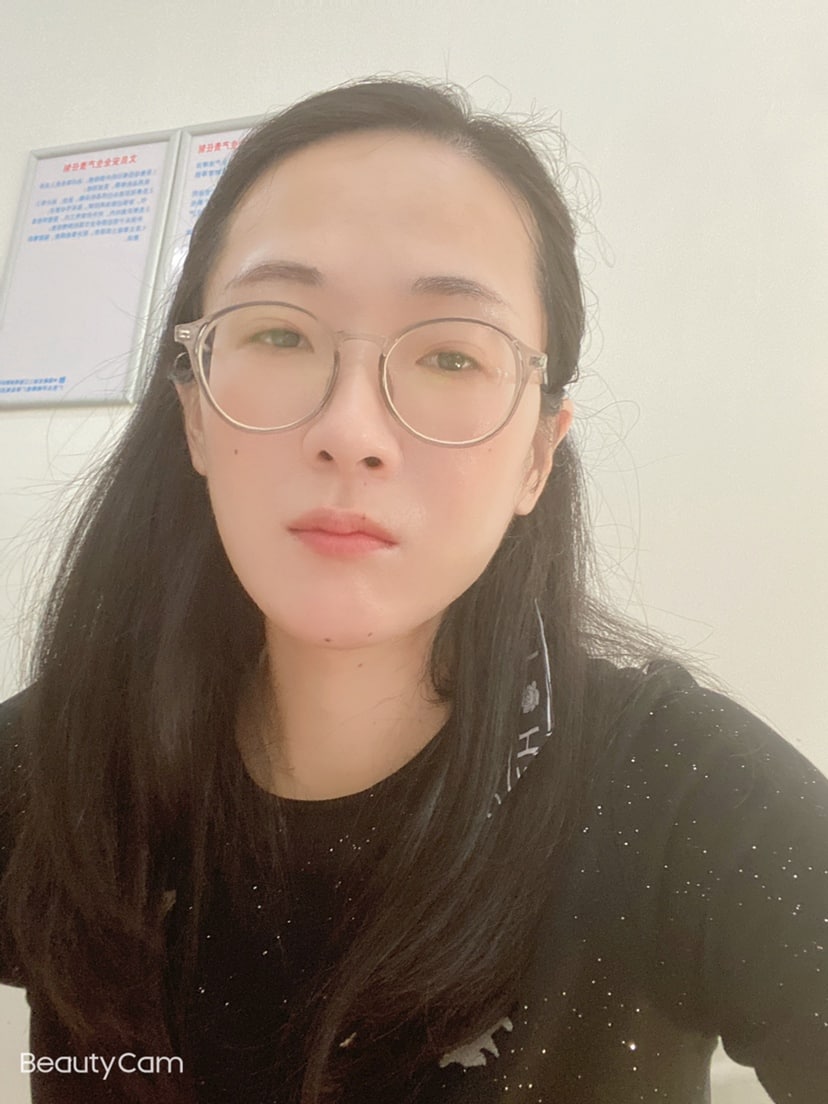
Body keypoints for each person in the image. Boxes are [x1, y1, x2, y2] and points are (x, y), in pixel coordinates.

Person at [0, 76, 826, 1104]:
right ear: (195, 412)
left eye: (449, 354)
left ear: (537, 455)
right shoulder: (62, 766)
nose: (350, 429)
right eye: (280, 334)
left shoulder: (679, 799)